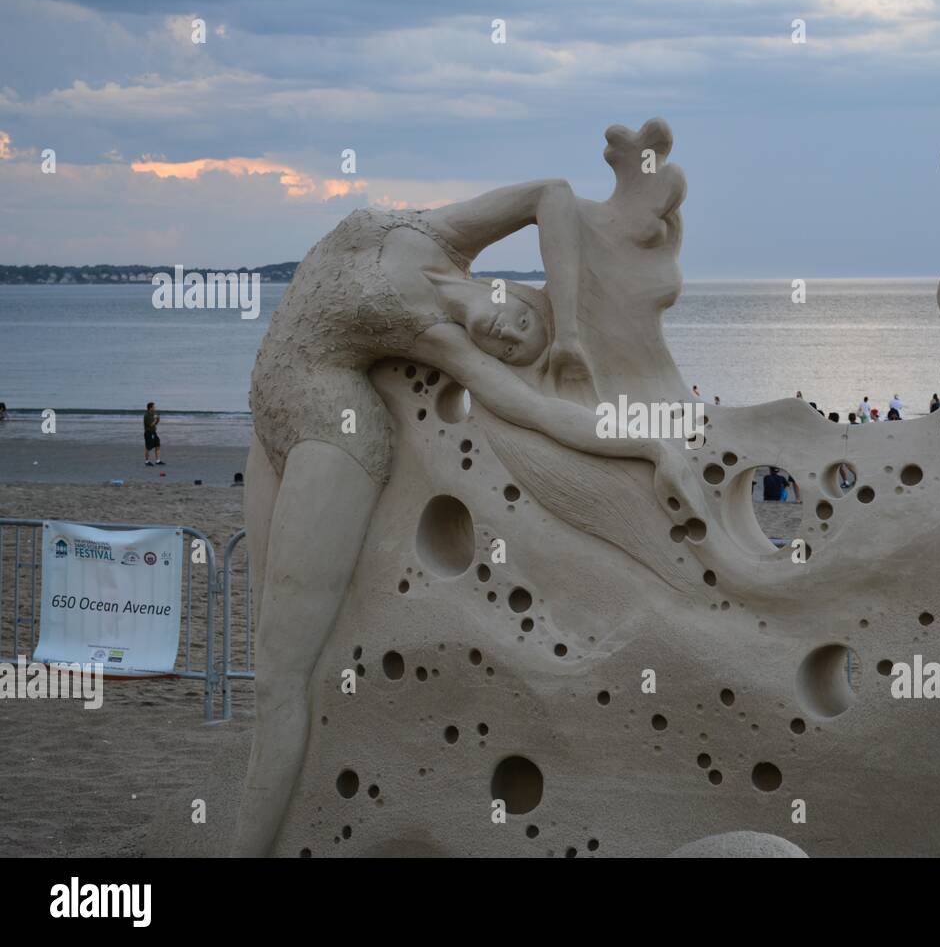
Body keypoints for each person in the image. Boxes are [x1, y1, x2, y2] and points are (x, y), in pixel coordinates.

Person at [235, 136, 707, 857]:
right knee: (267, 657)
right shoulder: (440, 232)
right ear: (510, 288)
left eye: (515, 348)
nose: (508, 334)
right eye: (521, 318)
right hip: (269, 416)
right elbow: (550, 192)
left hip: (333, 433)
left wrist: (654, 447)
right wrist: (570, 331)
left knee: (280, 677)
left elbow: (539, 411)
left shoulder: (439, 342)